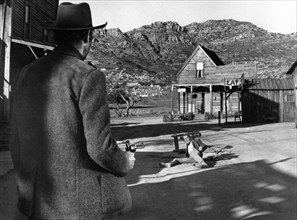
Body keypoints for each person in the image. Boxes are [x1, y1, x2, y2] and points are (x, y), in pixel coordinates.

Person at [9, 2, 135, 220]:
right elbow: (100, 148)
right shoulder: (89, 76)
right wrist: (125, 161)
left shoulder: (24, 74)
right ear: (87, 38)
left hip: (35, 203)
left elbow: (15, 142)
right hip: (78, 206)